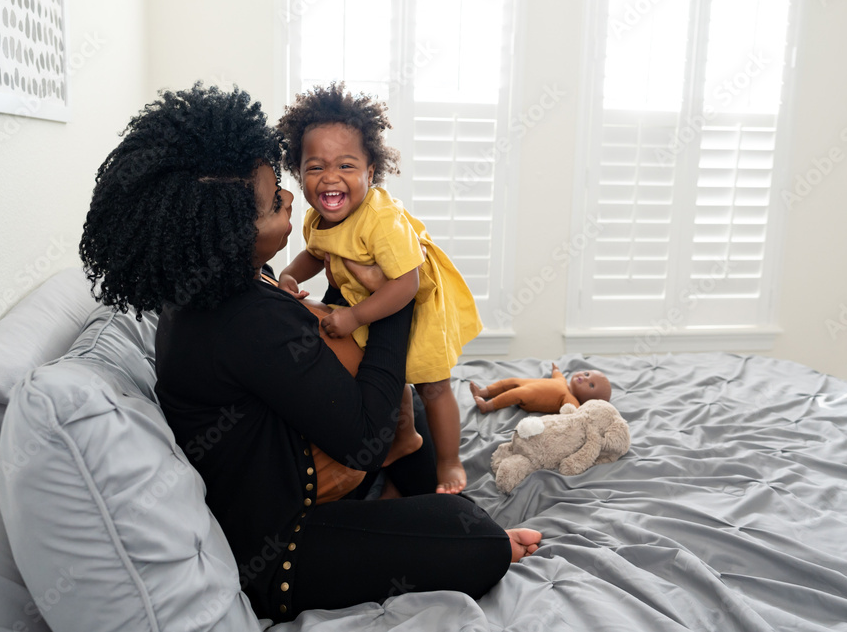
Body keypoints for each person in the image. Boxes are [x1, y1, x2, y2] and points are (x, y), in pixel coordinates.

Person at [78, 83, 540, 623]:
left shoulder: (219, 286)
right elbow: (366, 441)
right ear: (230, 229)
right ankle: (415, 510)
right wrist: (394, 297)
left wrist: (345, 300)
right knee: (479, 538)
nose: (291, 199)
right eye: (274, 200)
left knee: (412, 405)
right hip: (279, 550)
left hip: (308, 473)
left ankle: (407, 499)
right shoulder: (242, 319)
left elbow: (302, 357)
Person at [277, 83, 481, 495]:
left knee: (433, 386)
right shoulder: (318, 219)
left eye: (346, 165)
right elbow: (316, 254)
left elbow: (407, 282)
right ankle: (404, 437)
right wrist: (289, 276)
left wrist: (354, 316)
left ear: (370, 172)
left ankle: (449, 461)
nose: (330, 178)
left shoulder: (380, 221)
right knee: (387, 379)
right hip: (371, 302)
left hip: (415, 304)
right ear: (299, 174)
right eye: (315, 168)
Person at [470, 364, 613, 414]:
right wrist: (556, 370)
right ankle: (483, 392)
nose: (585, 378)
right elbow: (558, 375)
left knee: (516, 393)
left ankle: (488, 406)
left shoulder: (571, 400)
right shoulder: (563, 381)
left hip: (528, 396)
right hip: (526, 383)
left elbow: (573, 415)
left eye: (591, 385)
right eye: (587, 374)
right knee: (511, 381)